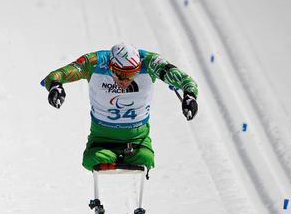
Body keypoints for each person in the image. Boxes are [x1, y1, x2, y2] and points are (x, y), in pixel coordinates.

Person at [41, 43, 198, 171]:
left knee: (146, 159)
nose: (125, 81)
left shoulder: (149, 62)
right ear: (110, 65)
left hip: (137, 139)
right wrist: (55, 85)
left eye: (131, 75)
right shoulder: (95, 62)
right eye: (119, 74)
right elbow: (58, 74)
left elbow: (182, 78)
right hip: (102, 139)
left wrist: (189, 94)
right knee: (92, 160)